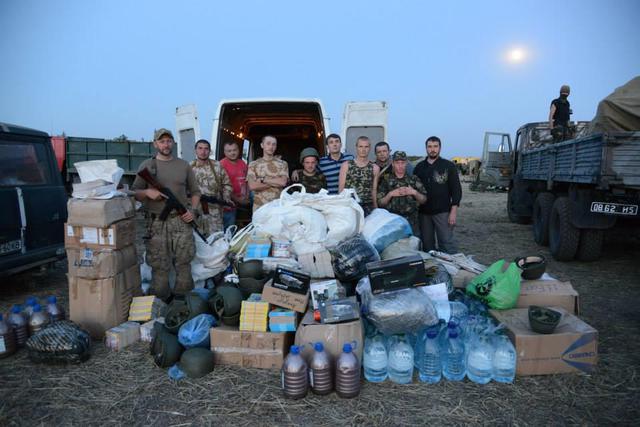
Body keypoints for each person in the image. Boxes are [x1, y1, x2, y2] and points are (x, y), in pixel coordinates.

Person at [131, 128, 201, 301]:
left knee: (184, 261)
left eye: (169, 141)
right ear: (155, 144)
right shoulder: (147, 165)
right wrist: (147, 193)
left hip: (180, 220)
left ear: (173, 143)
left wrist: (192, 211)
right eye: (162, 141)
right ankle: (160, 300)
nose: (166, 144)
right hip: (156, 222)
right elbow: (134, 192)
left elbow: (195, 192)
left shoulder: (184, 165)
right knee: (159, 263)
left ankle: (184, 300)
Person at [414, 136, 462, 253]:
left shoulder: (448, 166)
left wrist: (453, 212)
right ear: (426, 148)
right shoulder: (419, 167)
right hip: (424, 213)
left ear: (440, 148)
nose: (433, 149)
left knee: (447, 244)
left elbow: (456, 190)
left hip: (443, 212)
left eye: (435, 146)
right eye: (430, 146)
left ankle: (450, 264)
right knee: (427, 246)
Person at [377, 151, 427, 236]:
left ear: (406, 163)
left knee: (413, 243)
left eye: (402, 163)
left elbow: (424, 200)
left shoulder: (414, 179)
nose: (400, 166)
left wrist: (414, 192)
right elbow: (381, 203)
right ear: (393, 164)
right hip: (393, 223)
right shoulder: (386, 180)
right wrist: (390, 194)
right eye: (397, 163)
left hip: (412, 222)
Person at [190, 139, 233, 235]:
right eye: (200, 148)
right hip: (196, 210)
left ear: (210, 151)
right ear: (195, 150)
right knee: (198, 238)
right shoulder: (189, 167)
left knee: (216, 238)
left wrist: (226, 197)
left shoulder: (217, 166)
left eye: (206, 149)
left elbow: (227, 184)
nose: (203, 151)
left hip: (214, 211)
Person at [338, 136, 379, 215]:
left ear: (370, 148)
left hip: (368, 207)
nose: (363, 150)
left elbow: (374, 190)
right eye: (360, 146)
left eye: (366, 147)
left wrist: (376, 208)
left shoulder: (375, 168)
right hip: (350, 206)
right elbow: (341, 189)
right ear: (356, 147)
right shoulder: (346, 165)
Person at [247, 135, 289, 212]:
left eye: (274, 144)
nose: (271, 147)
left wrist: (263, 180)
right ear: (262, 145)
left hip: (277, 207)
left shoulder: (283, 164)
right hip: (259, 207)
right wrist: (275, 182)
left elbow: (283, 182)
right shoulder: (253, 164)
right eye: (268, 143)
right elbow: (252, 186)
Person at [219, 140, 248, 230]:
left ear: (238, 150)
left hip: (241, 201)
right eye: (229, 151)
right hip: (228, 204)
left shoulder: (242, 163)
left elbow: (246, 181)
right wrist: (239, 200)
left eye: (234, 150)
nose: (232, 153)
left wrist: (246, 196)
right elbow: (222, 187)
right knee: (228, 229)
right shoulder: (221, 165)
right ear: (225, 152)